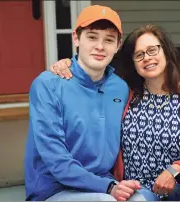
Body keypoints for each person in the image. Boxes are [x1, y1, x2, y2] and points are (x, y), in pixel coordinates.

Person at [49, 24, 180, 201]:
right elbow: (92, 78)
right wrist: (69, 64)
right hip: (139, 188)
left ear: (167, 53)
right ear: (134, 63)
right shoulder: (124, 94)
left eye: (152, 50)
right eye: (139, 55)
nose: (147, 58)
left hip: (179, 182)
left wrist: (175, 170)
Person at [24, 5, 145, 201]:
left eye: (108, 40)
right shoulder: (48, 85)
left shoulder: (120, 88)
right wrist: (109, 187)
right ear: (76, 38)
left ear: (118, 45)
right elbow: (57, 162)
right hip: (54, 188)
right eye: (92, 37)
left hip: (103, 182)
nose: (100, 46)